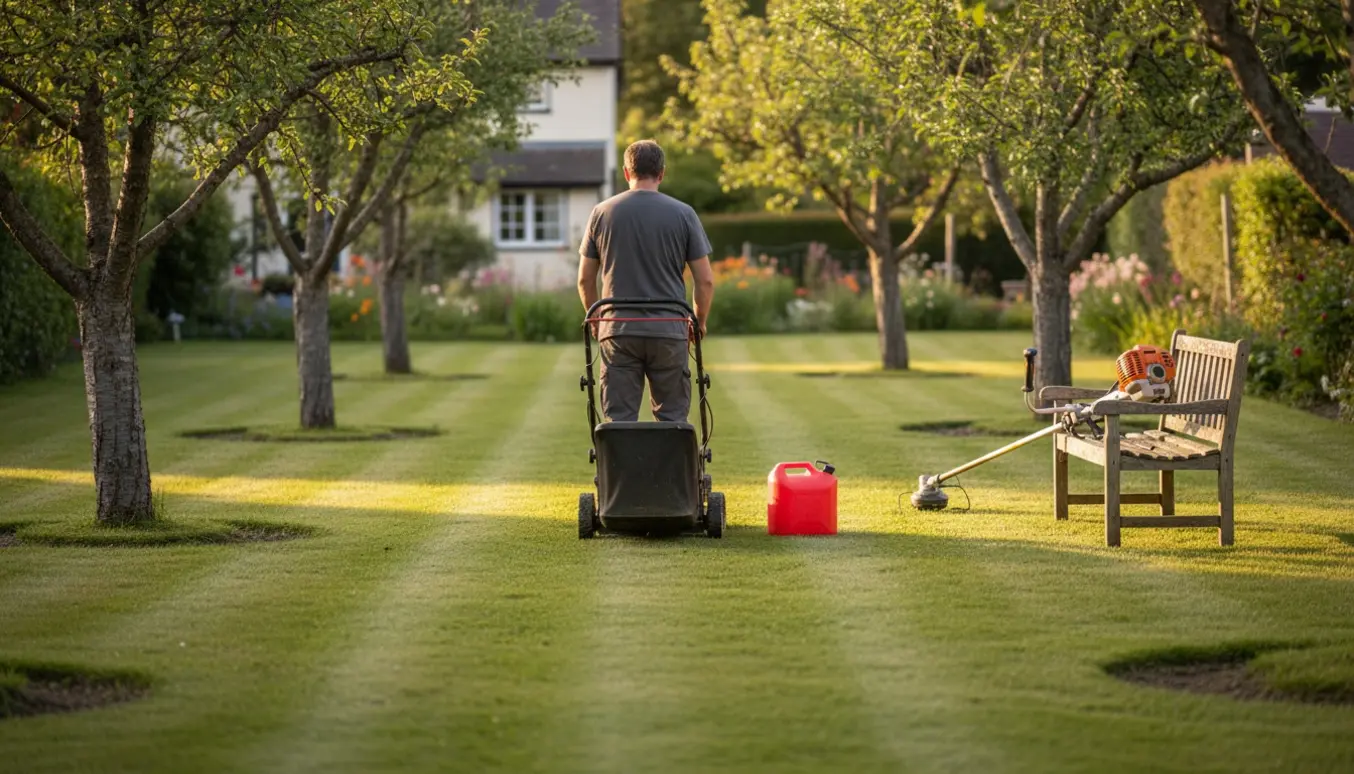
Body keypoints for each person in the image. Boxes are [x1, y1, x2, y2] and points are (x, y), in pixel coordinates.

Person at [577, 139, 716, 423]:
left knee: (619, 419)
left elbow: (584, 279)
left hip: (618, 330)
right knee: (673, 418)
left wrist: (596, 319)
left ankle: (620, 468)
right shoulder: (683, 214)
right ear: (661, 173)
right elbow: (705, 281)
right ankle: (670, 468)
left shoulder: (601, 213)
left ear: (627, 173)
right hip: (669, 328)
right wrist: (698, 322)